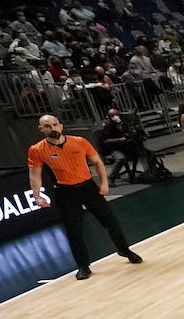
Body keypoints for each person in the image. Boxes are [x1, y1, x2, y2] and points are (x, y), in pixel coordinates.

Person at [27, 114, 143, 280]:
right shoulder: (37, 150)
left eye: (54, 125)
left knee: (111, 222)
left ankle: (125, 250)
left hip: (88, 187)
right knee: (74, 231)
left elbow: (97, 162)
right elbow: (34, 175)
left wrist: (104, 182)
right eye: (47, 126)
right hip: (65, 192)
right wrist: (37, 196)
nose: (52, 129)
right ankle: (83, 266)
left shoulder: (79, 141)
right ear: (41, 129)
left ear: (61, 126)